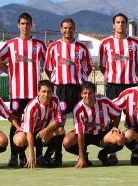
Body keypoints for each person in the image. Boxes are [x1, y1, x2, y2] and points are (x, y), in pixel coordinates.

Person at [0, 12, 47, 167]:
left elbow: (47, 65)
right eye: (22, 23)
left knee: (37, 124)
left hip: (35, 94)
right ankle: (15, 155)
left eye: (28, 23)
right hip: (17, 93)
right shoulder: (11, 45)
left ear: (32, 25)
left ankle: (38, 156)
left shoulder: (39, 45)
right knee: (16, 123)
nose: (25, 26)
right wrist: (10, 71)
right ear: (18, 25)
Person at [44, 18, 94, 166]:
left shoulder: (82, 48)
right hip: (61, 89)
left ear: (74, 29)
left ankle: (83, 155)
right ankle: (57, 155)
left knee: (82, 122)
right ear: (61, 29)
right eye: (65, 28)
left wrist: (79, 79)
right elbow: (48, 68)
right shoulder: (53, 47)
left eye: (70, 28)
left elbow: (89, 67)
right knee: (60, 123)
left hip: (78, 89)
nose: (68, 30)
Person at [98, 13, 138, 164]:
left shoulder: (136, 44)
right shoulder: (105, 44)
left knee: (133, 118)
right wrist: (113, 77)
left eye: (123, 22)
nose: (120, 25)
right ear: (113, 25)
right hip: (113, 86)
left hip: (130, 86)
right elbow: (103, 66)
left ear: (126, 25)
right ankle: (113, 152)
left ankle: (135, 151)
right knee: (112, 120)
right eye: (117, 22)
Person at [63, 81, 125, 168]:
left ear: (94, 93)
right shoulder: (78, 109)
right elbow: (80, 134)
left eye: (90, 93)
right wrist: (81, 158)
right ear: (81, 94)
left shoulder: (104, 101)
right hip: (85, 135)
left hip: (103, 133)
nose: (87, 96)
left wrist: (115, 126)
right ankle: (84, 156)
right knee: (67, 142)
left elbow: (117, 112)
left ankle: (103, 154)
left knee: (121, 139)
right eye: (85, 93)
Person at [13, 80, 65, 169]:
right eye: (43, 91)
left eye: (49, 92)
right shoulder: (31, 107)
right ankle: (22, 156)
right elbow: (29, 133)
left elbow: (58, 121)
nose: (46, 95)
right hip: (27, 133)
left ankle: (46, 157)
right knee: (19, 140)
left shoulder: (55, 99)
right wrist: (31, 155)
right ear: (38, 92)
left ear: (52, 92)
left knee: (61, 130)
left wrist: (45, 130)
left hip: (42, 133)